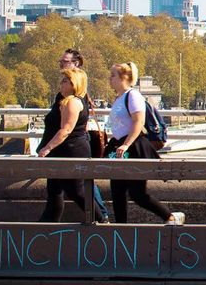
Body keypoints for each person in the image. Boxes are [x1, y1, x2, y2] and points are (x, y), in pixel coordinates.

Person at [107, 62, 184, 225]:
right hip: (120, 148)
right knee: (117, 190)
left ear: (124, 78)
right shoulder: (118, 98)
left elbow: (138, 122)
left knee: (137, 194)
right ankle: (121, 227)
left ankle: (170, 217)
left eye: (113, 75)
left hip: (133, 148)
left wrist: (126, 144)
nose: (110, 78)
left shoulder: (132, 95)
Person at [36, 68, 105, 222]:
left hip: (71, 152)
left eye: (65, 81)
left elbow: (66, 129)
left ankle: (101, 221)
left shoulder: (73, 102)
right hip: (62, 152)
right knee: (54, 192)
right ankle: (46, 226)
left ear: (75, 84)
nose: (61, 84)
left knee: (76, 191)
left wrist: (47, 148)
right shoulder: (65, 101)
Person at [58, 49, 111, 222]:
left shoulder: (76, 87)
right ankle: (101, 215)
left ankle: (101, 215)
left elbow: (68, 125)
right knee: (76, 186)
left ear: (76, 64)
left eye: (65, 61)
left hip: (75, 144)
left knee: (82, 186)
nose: (61, 63)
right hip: (72, 144)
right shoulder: (67, 86)